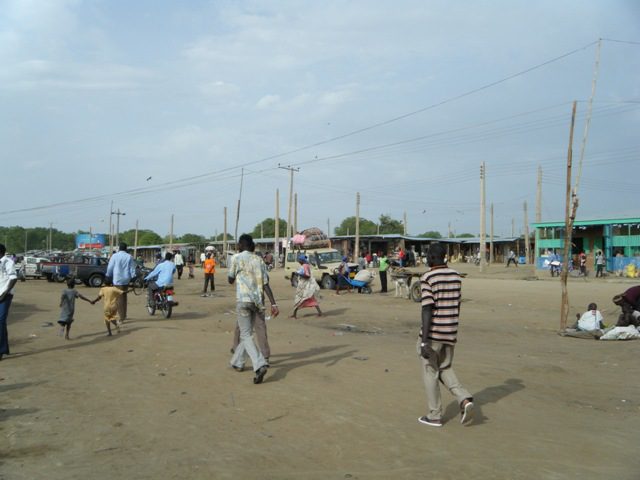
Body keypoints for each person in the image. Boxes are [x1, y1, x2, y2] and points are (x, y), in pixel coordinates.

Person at [417, 242, 473, 427]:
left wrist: (424, 341)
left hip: (433, 334)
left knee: (430, 371)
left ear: (431, 257)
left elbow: (427, 309)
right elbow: (457, 304)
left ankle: (434, 415)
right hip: (450, 332)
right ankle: (464, 398)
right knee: (446, 368)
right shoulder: (456, 276)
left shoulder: (428, 277)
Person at [228, 234, 279, 384]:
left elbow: (230, 279)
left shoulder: (236, 258)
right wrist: (274, 304)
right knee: (248, 333)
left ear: (241, 245)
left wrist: (237, 274)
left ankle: (259, 364)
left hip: (243, 300)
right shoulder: (259, 260)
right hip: (257, 302)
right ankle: (237, 361)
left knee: (245, 335)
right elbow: (265, 284)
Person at [106, 242, 136, 324]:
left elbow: (110, 267)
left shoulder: (115, 256)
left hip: (117, 279)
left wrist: (108, 275)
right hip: (126, 279)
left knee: (119, 299)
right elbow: (132, 269)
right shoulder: (129, 256)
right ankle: (124, 315)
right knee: (124, 297)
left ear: (119, 248)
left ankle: (122, 318)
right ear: (126, 248)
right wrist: (133, 277)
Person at [0, 244, 18, 361]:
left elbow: (13, 278)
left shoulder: (7, 261)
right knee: (1, 323)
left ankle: (1, 350)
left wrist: (4, 294)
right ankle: (4, 348)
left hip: (4, 295)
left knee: (0, 320)